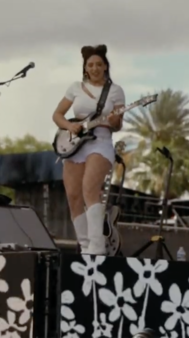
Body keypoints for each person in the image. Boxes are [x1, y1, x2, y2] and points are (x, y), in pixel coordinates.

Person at [52, 45, 125, 255]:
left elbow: (119, 124)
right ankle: (85, 246)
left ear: (105, 67)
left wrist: (113, 120)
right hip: (76, 143)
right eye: (90, 65)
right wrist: (69, 126)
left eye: (99, 64)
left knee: (89, 188)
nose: (94, 68)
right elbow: (57, 115)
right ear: (85, 68)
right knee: (73, 195)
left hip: (100, 142)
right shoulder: (75, 87)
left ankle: (97, 246)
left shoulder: (115, 91)